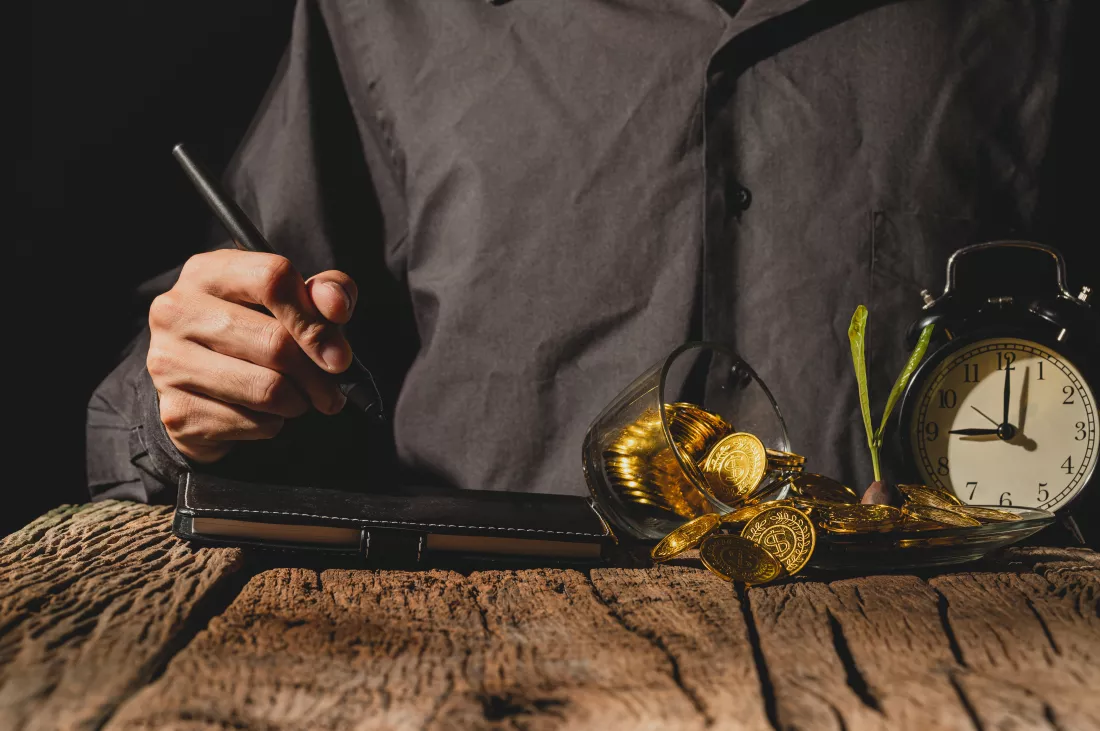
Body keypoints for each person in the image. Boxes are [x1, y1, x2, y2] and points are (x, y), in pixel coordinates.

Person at [87, 0, 1090, 504]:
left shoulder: (1049, 24)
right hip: (469, 671)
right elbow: (165, 401)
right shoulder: (388, 17)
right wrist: (194, 399)